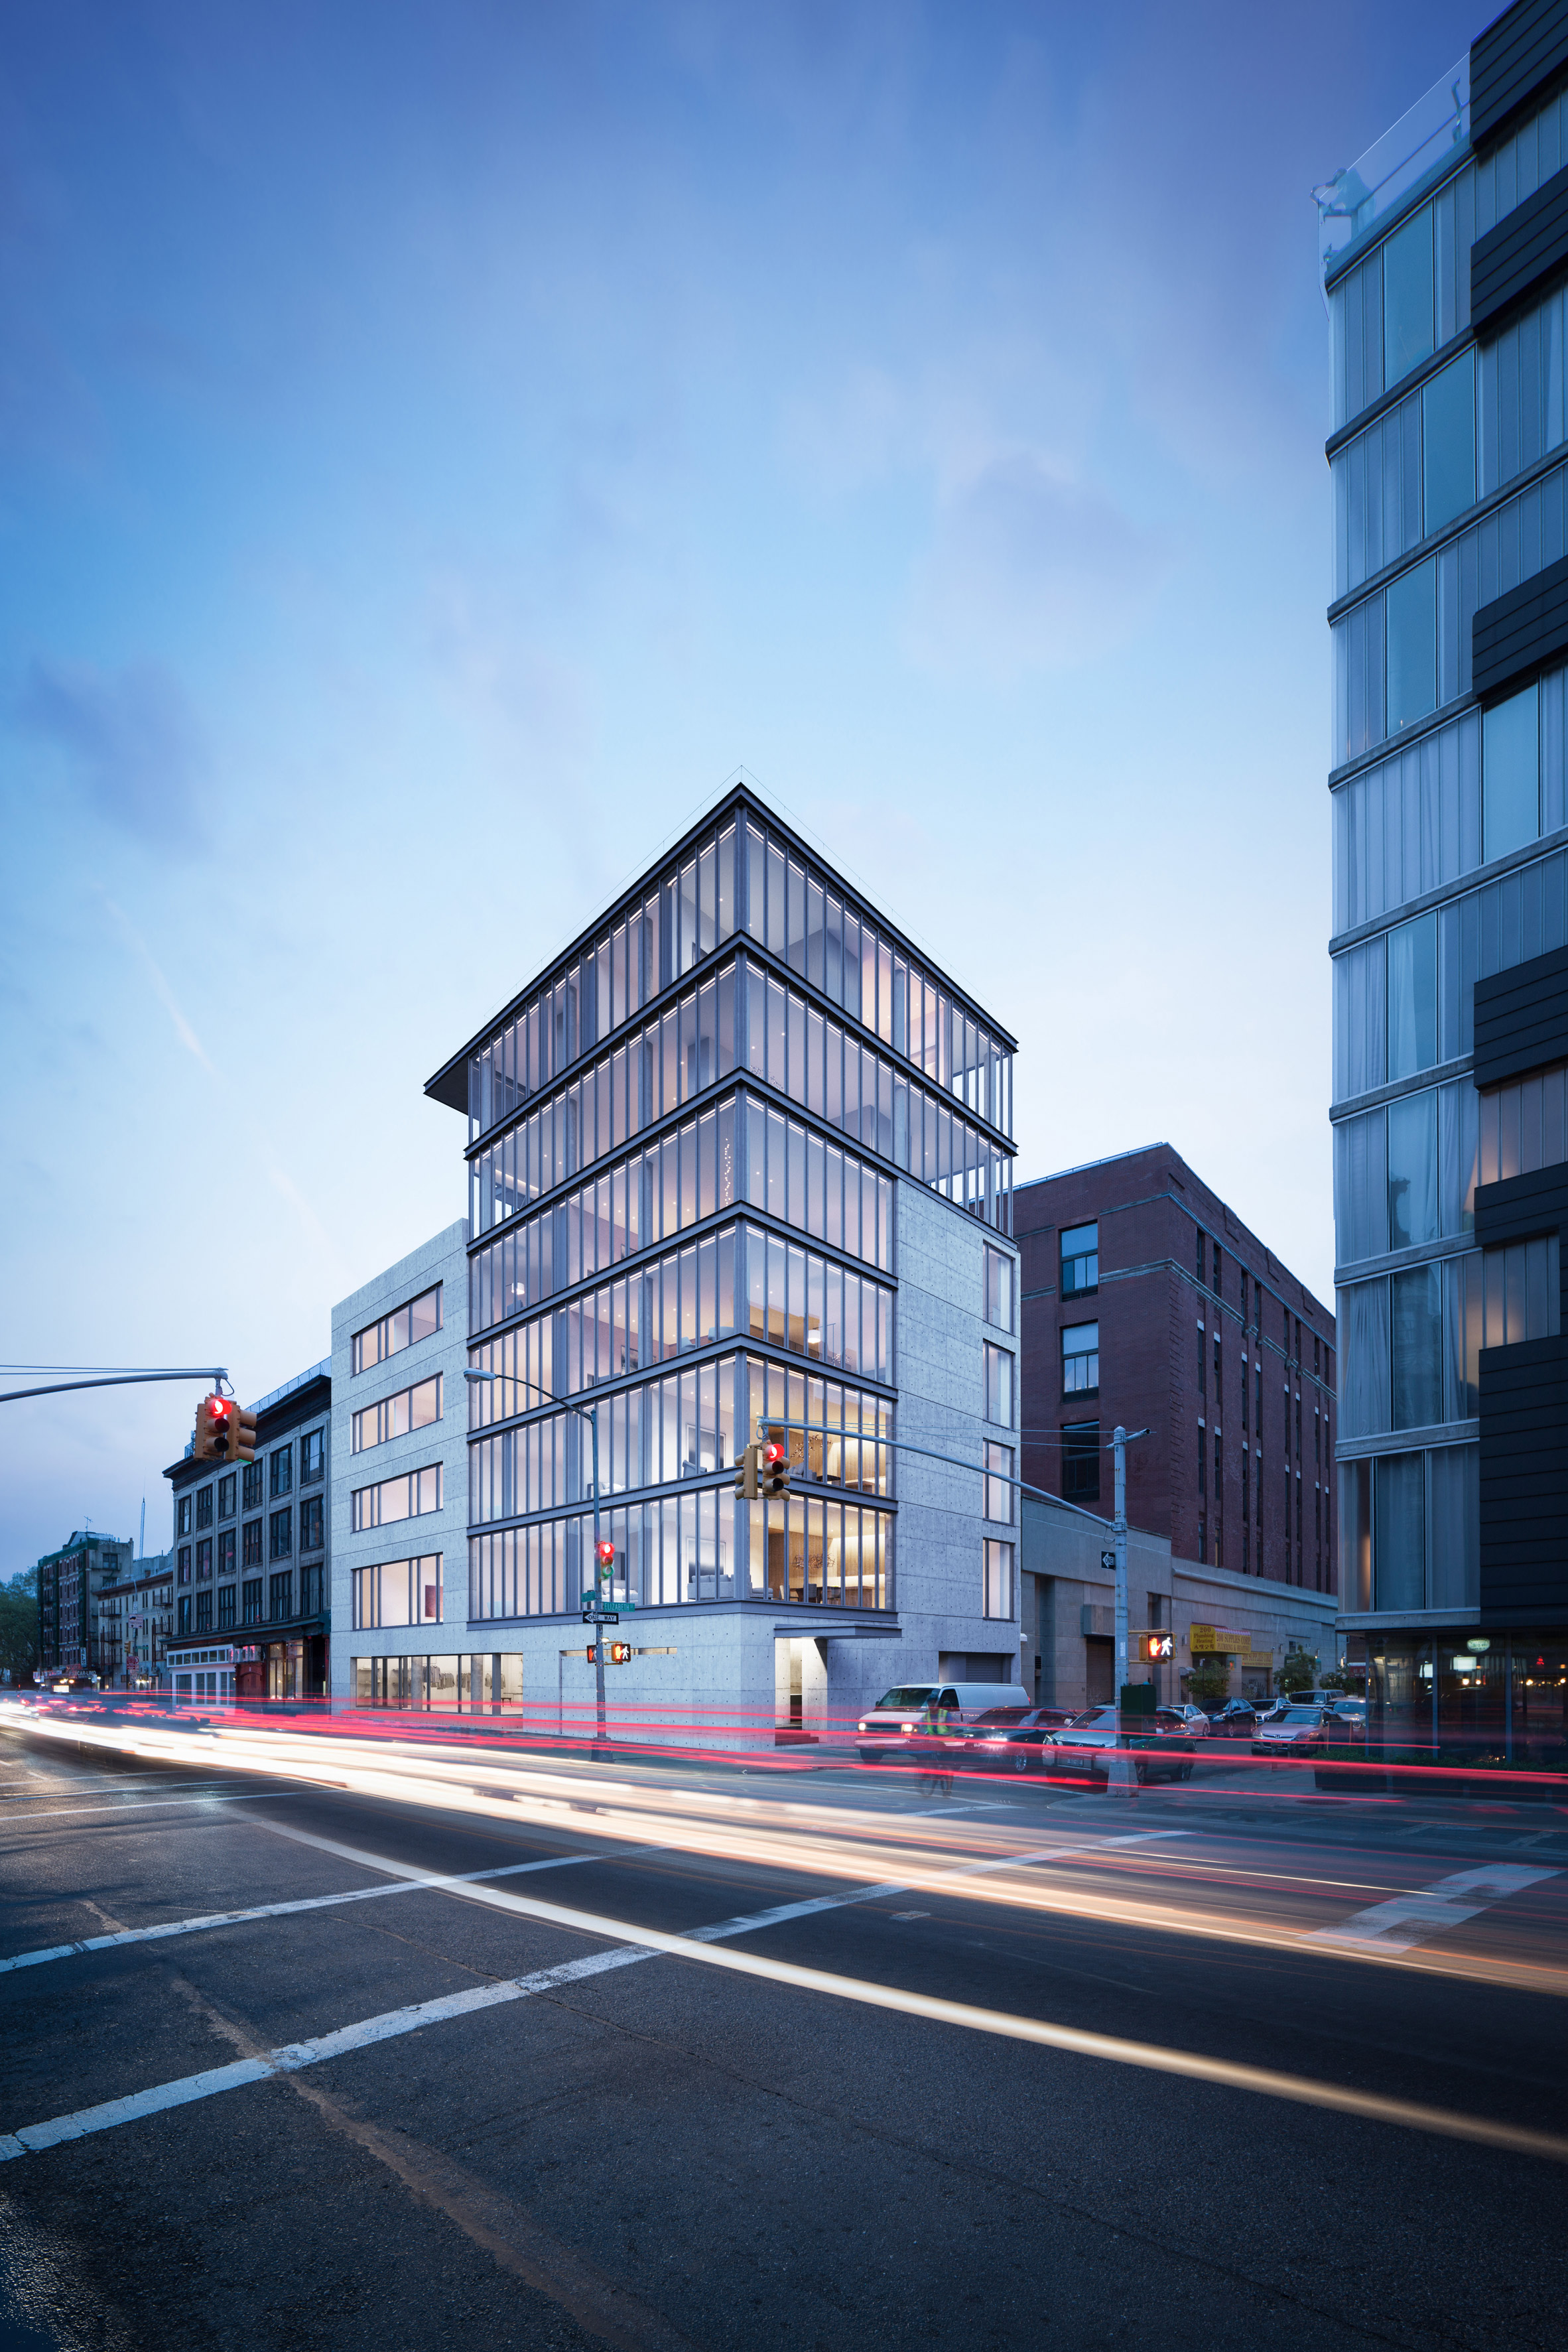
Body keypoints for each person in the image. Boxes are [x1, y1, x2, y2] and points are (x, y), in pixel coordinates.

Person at [915, 1689, 954, 1797]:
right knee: (923, 1755)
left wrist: (947, 1734)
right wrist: (922, 1734)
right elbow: (920, 1728)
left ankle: (948, 1789)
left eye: (934, 1702)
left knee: (947, 1766)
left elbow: (953, 1727)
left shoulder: (945, 1713)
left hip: (946, 1743)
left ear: (938, 1703)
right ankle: (927, 1772)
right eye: (930, 1702)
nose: (932, 1704)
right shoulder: (926, 1716)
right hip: (933, 1743)